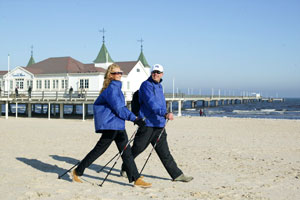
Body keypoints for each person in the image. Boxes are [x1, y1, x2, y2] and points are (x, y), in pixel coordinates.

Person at [72, 64, 152, 188]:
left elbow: (120, 108)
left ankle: (135, 178)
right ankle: (77, 171)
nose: (119, 75)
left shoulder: (116, 88)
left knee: (126, 152)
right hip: (111, 125)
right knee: (99, 150)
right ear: (110, 75)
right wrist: (135, 119)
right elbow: (119, 108)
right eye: (116, 73)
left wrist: (134, 118)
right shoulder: (112, 90)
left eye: (120, 73)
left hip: (117, 125)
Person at [121, 64, 193, 182]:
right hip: (147, 124)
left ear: (162, 74)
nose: (155, 74)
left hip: (159, 125)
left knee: (165, 152)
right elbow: (151, 103)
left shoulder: (160, 86)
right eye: (154, 72)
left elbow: (161, 104)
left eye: (158, 72)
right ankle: (125, 168)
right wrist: (164, 114)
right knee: (137, 149)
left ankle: (177, 175)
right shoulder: (145, 85)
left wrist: (164, 115)